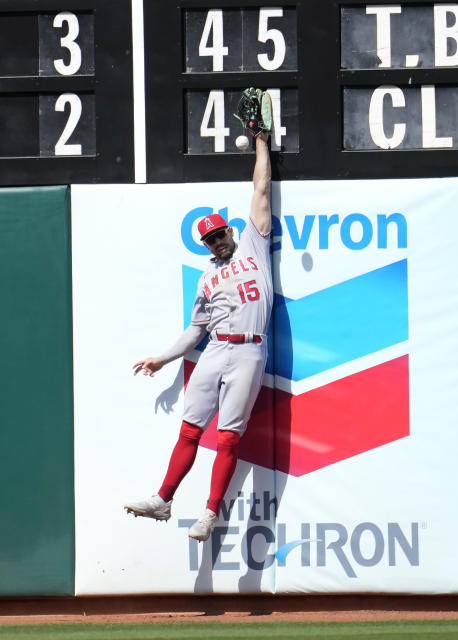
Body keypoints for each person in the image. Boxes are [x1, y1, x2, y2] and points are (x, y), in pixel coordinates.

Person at [125, 91, 273, 542]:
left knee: (228, 437)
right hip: (215, 351)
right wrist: (163, 359)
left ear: (229, 229)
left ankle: (210, 513)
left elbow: (261, 189)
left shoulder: (253, 242)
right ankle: (164, 500)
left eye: (218, 235)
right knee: (190, 430)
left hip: (249, 351)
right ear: (205, 246)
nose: (217, 243)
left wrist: (261, 140)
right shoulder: (206, 279)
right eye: (209, 241)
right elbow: (195, 330)